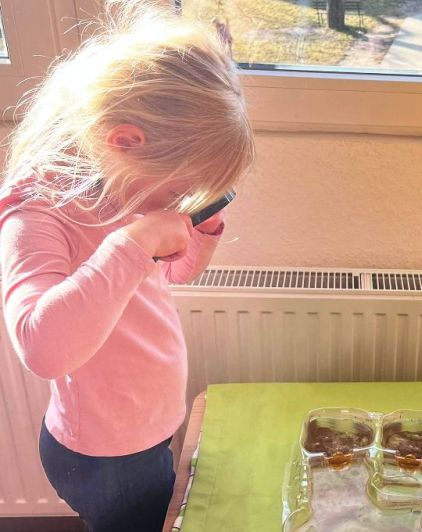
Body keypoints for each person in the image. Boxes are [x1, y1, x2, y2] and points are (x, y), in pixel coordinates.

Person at [0, 1, 255, 530]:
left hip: (145, 431)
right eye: (181, 189)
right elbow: (43, 349)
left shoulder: (124, 188)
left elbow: (167, 276)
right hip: (106, 456)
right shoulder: (38, 210)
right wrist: (134, 242)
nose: (182, 203)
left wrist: (200, 234)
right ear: (125, 142)